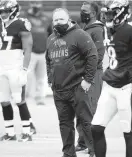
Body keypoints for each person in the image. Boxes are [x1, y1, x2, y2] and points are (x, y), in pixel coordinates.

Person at [91, 0, 132, 157]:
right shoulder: (106, 30)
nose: (107, 17)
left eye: (111, 14)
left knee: (128, 132)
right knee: (96, 128)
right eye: (106, 14)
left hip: (127, 88)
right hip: (110, 86)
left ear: (122, 13)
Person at [45, 8, 97, 157]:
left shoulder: (80, 35)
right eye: (55, 20)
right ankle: (68, 153)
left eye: (61, 19)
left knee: (86, 122)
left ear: (68, 20)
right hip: (59, 91)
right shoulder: (50, 39)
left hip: (77, 87)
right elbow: (48, 60)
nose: (58, 22)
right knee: (65, 124)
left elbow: (92, 56)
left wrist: (87, 80)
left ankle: (94, 152)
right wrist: (50, 79)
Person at [0, 0, 33, 142]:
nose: (3, 14)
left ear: (13, 11)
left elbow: (27, 49)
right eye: (1, 11)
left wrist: (24, 70)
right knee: (3, 100)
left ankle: (27, 132)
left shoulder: (21, 24)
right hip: (2, 66)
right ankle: (10, 133)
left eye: (6, 11)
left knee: (19, 99)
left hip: (15, 66)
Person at [75, 1, 106, 152]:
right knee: (80, 108)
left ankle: (92, 144)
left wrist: (88, 74)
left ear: (93, 13)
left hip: (93, 74)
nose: (82, 13)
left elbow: (98, 55)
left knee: (90, 109)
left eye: (85, 11)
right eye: (81, 10)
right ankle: (82, 142)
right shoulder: (85, 28)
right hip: (82, 73)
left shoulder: (97, 30)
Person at [24, 1, 52, 105]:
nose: (36, 5)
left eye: (38, 3)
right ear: (30, 4)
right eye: (33, 3)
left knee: (41, 77)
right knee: (26, 76)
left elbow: (50, 34)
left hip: (43, 51)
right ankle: (24, 97)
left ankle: (39, 97)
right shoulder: (25, 17)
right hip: (30, 52)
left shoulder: (45, 18)